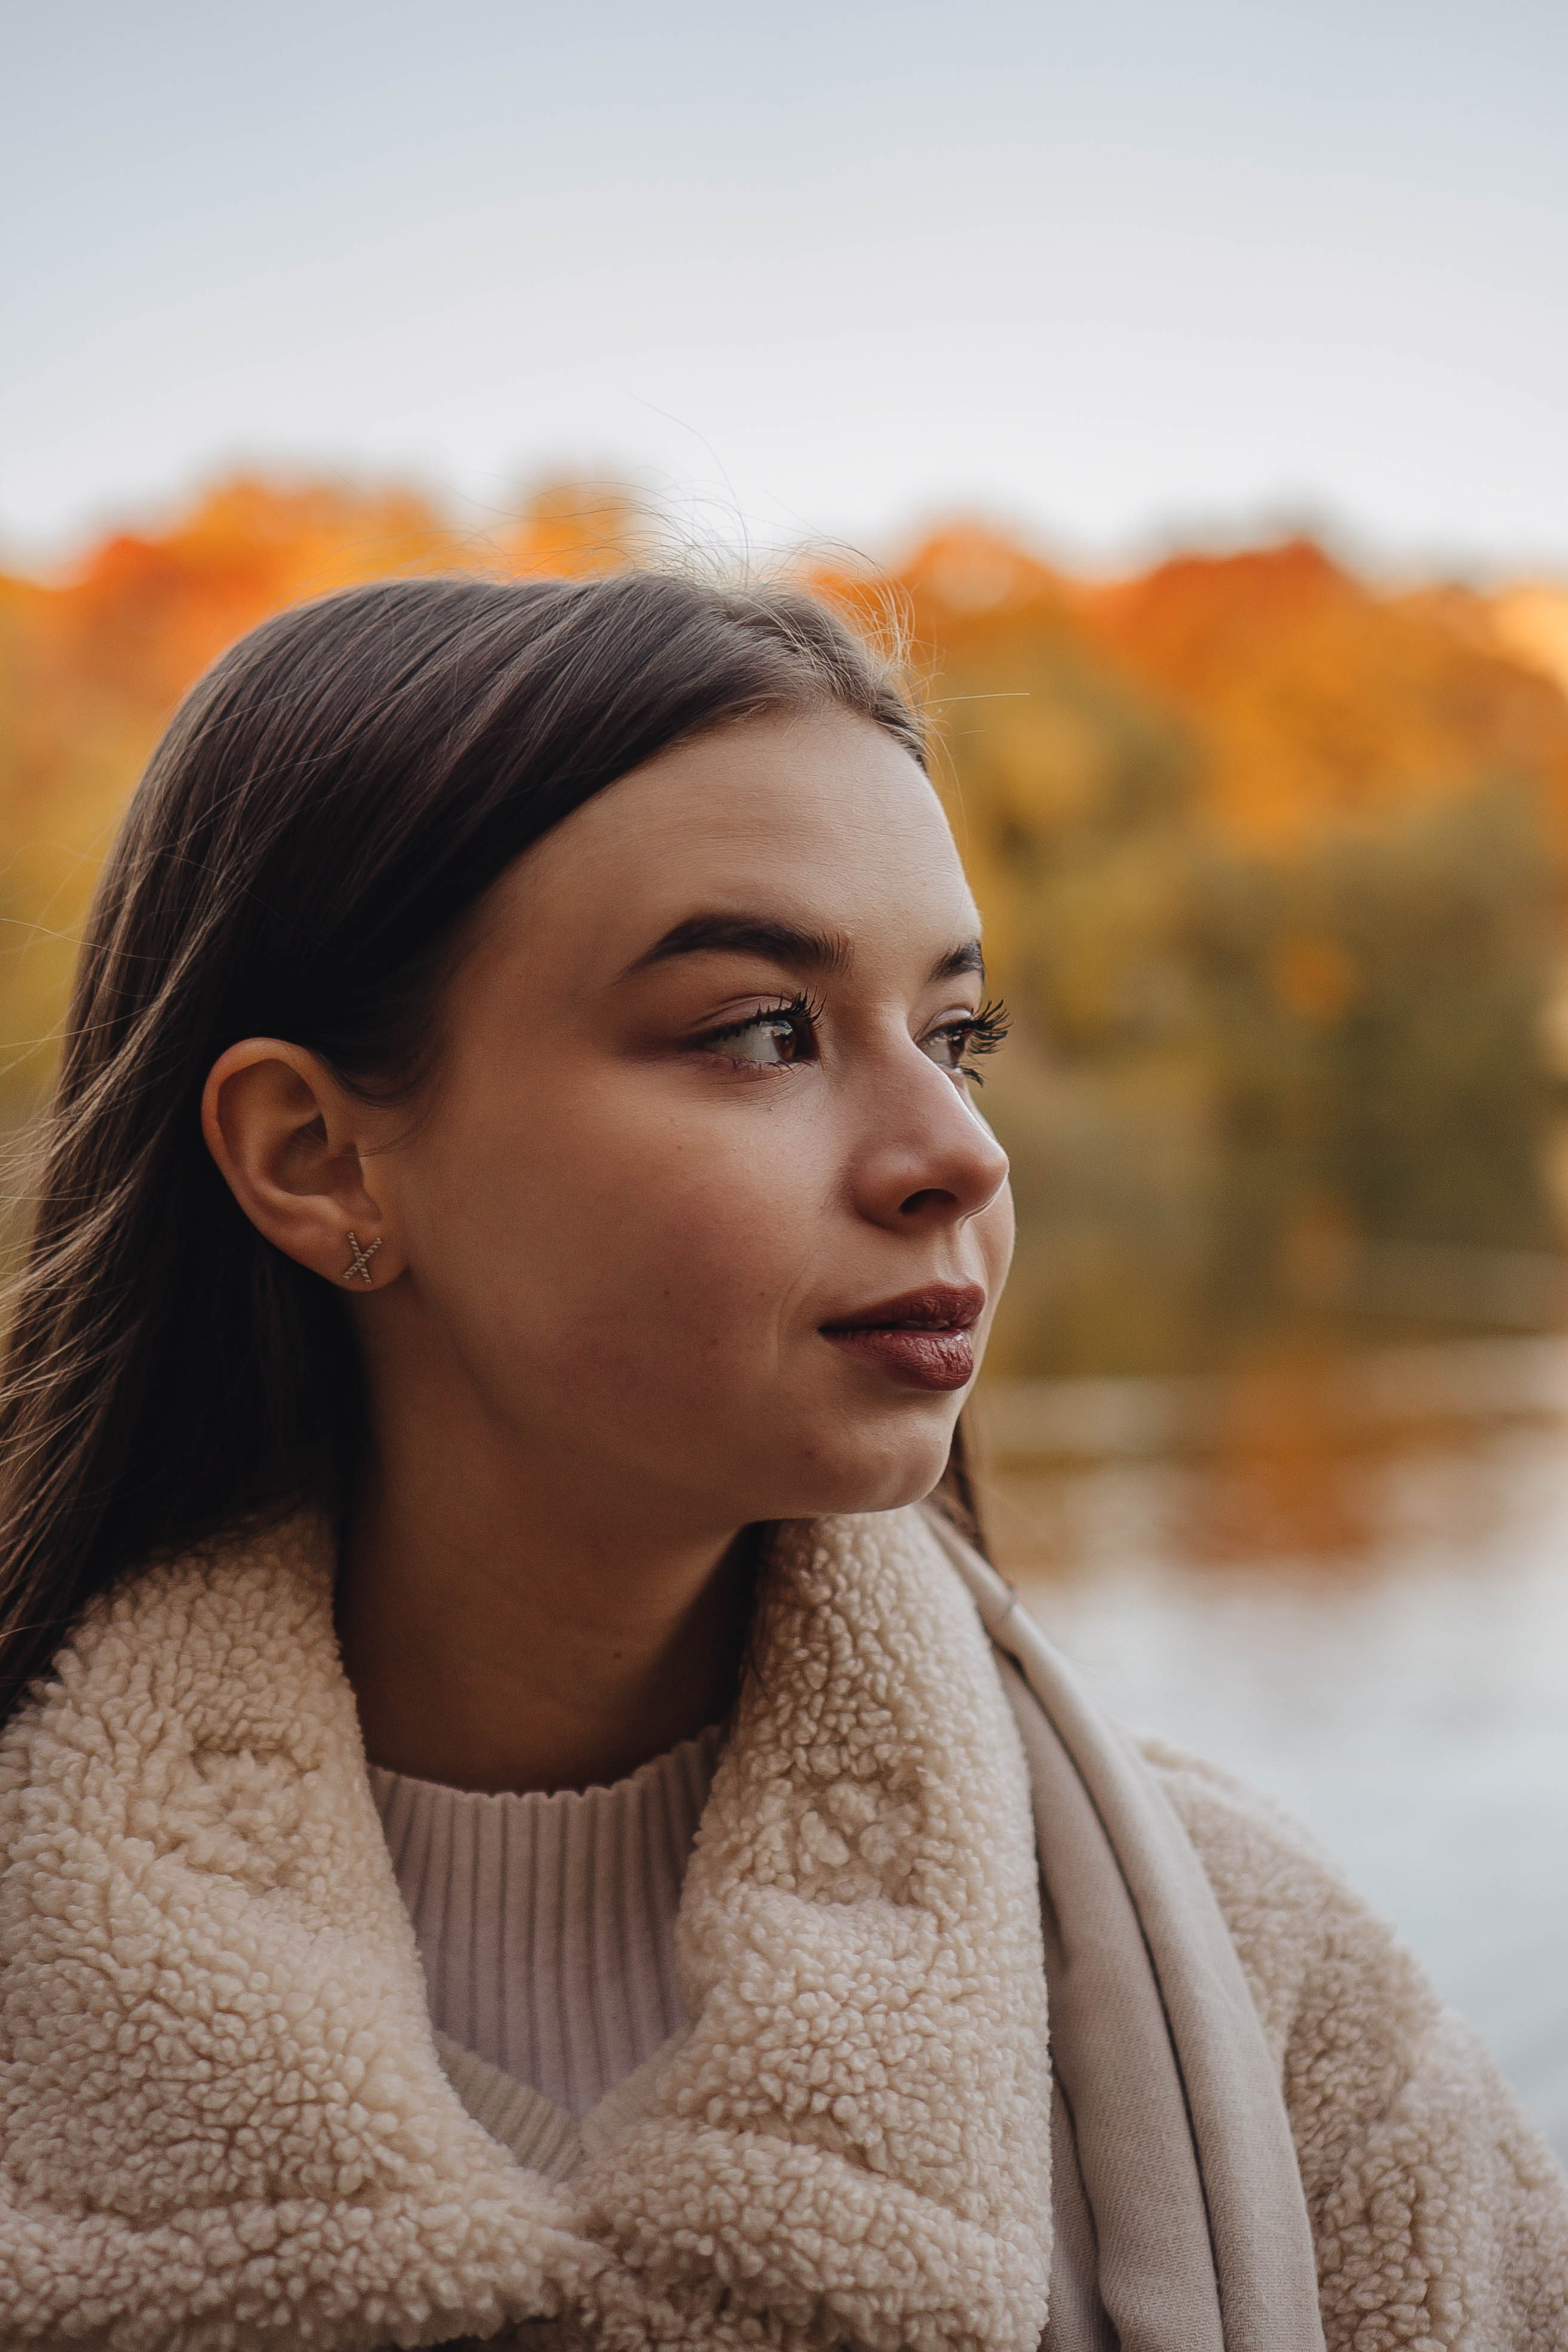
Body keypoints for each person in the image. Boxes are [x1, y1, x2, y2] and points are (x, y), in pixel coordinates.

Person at [0, 572, 1560, 2352]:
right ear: (319, 1157)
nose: (955, 1155)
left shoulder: (1261, 1988)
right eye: (761, 1030)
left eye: (957, 1036)